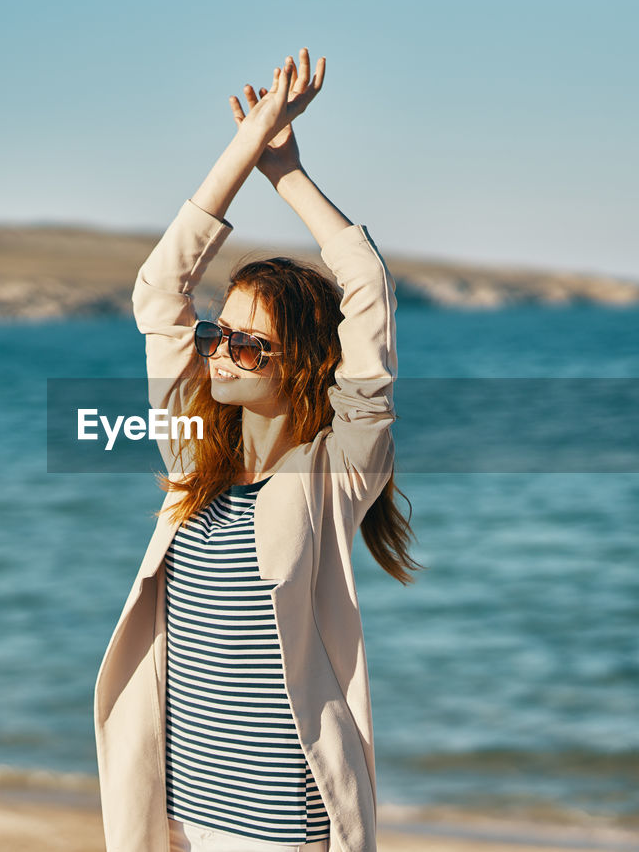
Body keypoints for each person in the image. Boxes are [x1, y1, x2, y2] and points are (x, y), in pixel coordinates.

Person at [93, 48, 421, 852]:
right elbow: (158, 292)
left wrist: (291, 176)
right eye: (219, 334)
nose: (219, 352)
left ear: (300, 364)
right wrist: (246, 149)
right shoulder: (190, 451)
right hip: (187, 808)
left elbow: (368, 292)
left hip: (283, 826)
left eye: (249, 345)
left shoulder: (332, 473)